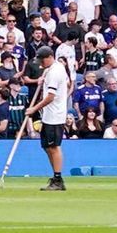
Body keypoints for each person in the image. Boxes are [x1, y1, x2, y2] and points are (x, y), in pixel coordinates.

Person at [30, 39, 74, 191]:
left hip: (55, 115)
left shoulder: (55, 71)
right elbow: (67, 83)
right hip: (48, 115)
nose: (41, 64)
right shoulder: (53, 69)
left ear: (49, 57)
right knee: (47, 147)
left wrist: (33, 109)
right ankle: (56, 177)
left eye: (42, 60)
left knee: (54, 146)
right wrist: (43, 80)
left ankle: (58, 178)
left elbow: (50, 97)